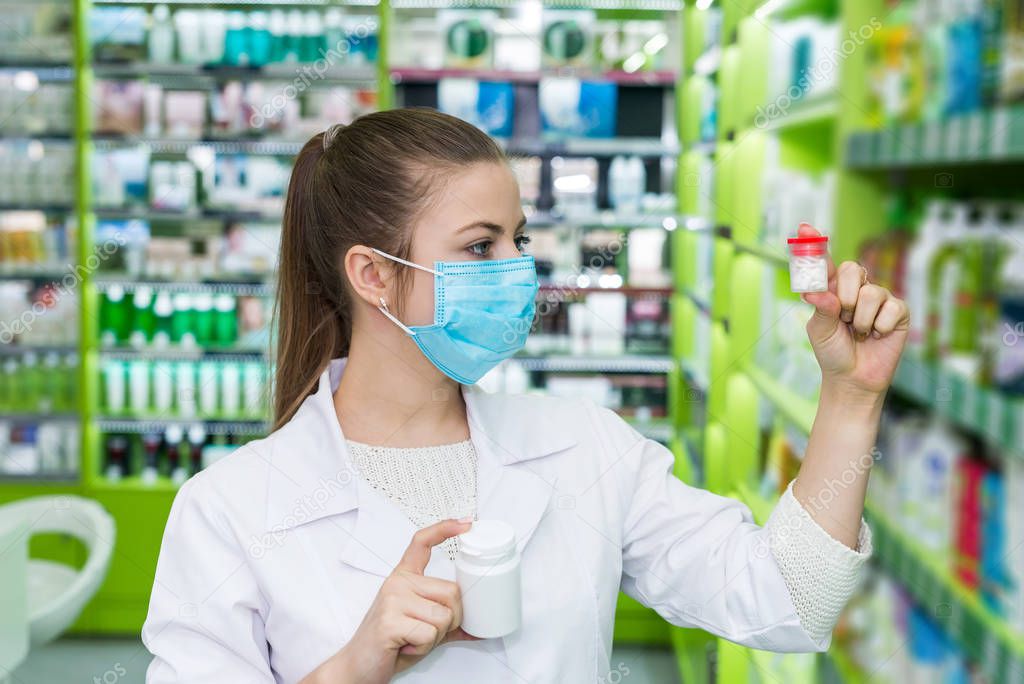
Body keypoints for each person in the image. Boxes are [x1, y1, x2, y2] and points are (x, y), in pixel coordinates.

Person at [142, 109, 909, 683]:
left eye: (520, 238)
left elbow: (789, 600)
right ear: (372, 275)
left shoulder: (585, 449)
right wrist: (352, 667)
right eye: (480, 246)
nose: (518, 269)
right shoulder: (232, 510)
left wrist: (850, 397)